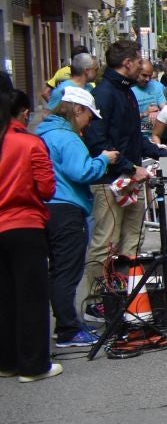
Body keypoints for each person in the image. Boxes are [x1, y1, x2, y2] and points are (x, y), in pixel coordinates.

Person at [83, 40, 167, 305]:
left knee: (134, 237)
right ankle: (96, 301)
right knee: (106, 242)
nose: (143, 66)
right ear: (128, 63)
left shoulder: (127, 92)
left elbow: (133, 138)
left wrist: (164, 152)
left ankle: (127, 294)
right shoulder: (104, 94)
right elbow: (98, 143)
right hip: (110, 180)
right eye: (139, 60)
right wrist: (129, 167)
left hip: (132, 177)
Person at [37, 89, 115, 352]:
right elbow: (81, 172)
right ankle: (68, 329)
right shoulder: (66, 138)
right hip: (67, 209)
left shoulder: (43, 134)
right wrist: (104, 159)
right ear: (77, 110)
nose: (90, 122)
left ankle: (66, 324)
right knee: (67, 272)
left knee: (57, 270)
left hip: (46, 208)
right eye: (89, 116)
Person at [1, 87, 60, 380]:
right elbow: (47, 188)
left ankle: (6, 361)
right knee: (32, 297)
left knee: (4, 296)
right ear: (25, 113)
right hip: (24, 224)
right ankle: (33, 365)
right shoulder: (28, 143)